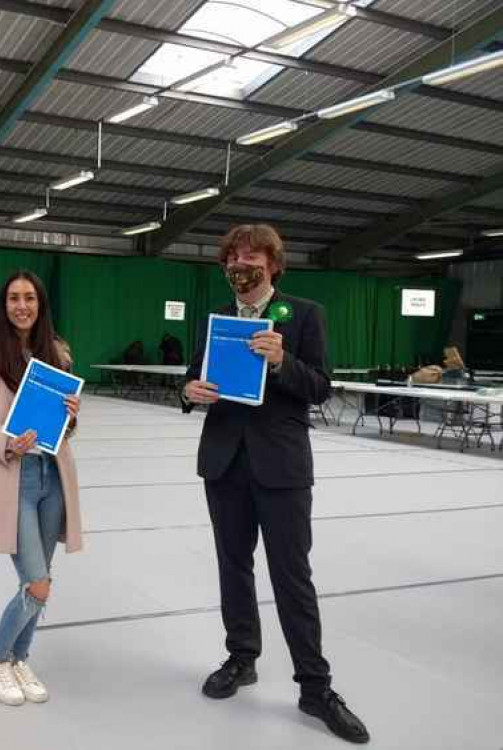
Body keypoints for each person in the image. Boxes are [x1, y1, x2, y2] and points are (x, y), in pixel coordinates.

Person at [182, 224, 369, 744]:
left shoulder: (305, 315)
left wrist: (283, 360)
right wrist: (188, 389)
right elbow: (194, 377)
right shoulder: (215, 320)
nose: (241, 264)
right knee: (233, 567)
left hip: (281, 467)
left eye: (252, 256)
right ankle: (242, 658)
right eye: (234, 257)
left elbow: (321, 387)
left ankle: (315, 686)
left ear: (273, 264)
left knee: (292, 576)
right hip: (223, 462)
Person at [0, 270, 82, 707]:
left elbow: (66, 427)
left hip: (54, 477)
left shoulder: (58, 353)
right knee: (37, 583)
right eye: (14, 298)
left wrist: (71, 414)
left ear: (41, 304)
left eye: (30, 298)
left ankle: (20, 657)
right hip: (14, 478)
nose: (22, 306)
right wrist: (7, 442)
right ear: (4, 303)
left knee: (42, 576)